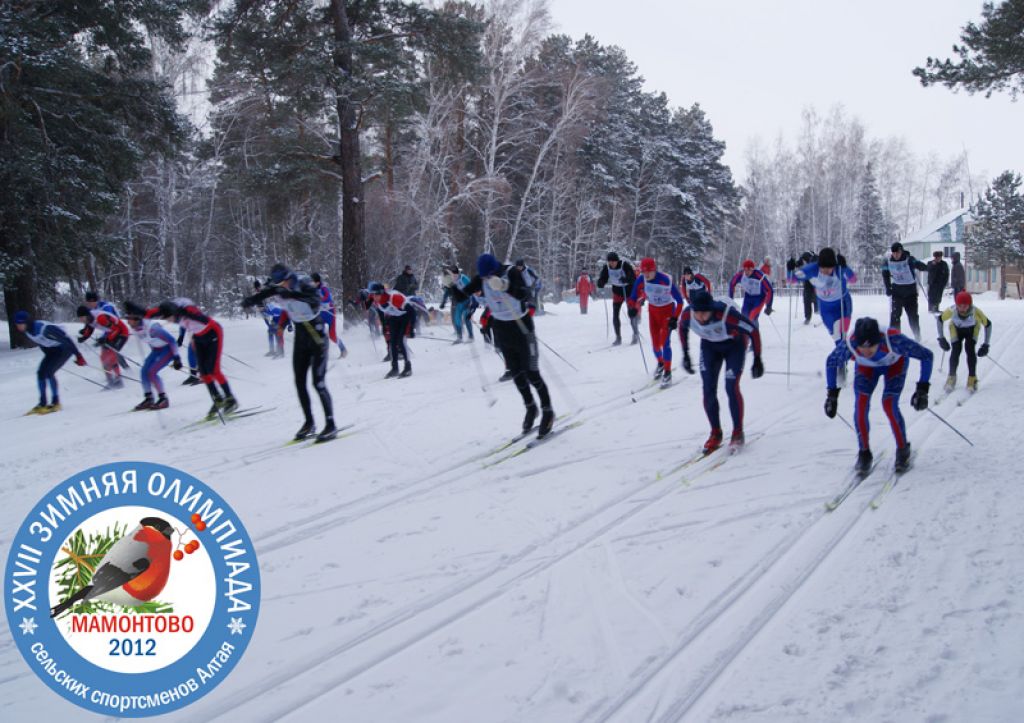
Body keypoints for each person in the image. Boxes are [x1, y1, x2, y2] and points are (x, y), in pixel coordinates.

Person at [824, 317, 933, 473]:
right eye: (862, 348)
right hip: (866, 368)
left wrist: (922, 389)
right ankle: (864, 452)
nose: (867, 351)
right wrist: (832, 395)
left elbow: (926, 355)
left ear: (879, 341)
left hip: (894, 366)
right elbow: (831, 362)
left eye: (871, 347)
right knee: (861, 405)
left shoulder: (893, 339)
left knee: (888, 404)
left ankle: (902, 448)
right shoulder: (851, 344)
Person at [463, 253, 555, 437]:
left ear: (494, 269)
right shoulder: (482, 276)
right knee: (516, 373)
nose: (486, 280)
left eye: (489, 275)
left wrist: (505, 286)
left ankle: (547, 411)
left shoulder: (511, 272)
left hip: (521, 327)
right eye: (483, 277)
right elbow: (461, 295)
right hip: (502, 328)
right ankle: (531, 407)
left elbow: (524, 293)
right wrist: (452, 284)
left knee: (532, 372)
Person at [244, 264, 338, 441]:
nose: (281, 287)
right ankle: (309, 423)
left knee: (318, 383)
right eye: (278, 284)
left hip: (316, 335)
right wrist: (250, 300)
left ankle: (331, 425)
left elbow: (315, 301)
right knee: (299, 382)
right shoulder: (279, 286)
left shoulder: (304, 284)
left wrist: (294, 295)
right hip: (301, 336)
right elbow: (266, 293)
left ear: (289, 278)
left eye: (283, 283)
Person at [679, 291, 764, 453]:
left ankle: (738, 433)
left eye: (705, 313)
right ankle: (715, 432)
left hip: (734, 346)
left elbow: (753, 331)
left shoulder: (726, 315)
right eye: (697, 313)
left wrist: (757, 359)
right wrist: (685, 354)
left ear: (711, 309)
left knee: (731, 387)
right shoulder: (688, 315)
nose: (701, 317)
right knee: (708, 389)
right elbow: (682, 329)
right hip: (710, 347)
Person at [150, 298, 237, 418]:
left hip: (212, 334)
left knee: (213, 370)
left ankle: (230, 399)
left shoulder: (188, 312)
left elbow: (202, 318)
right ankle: (218, 399)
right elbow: (183, 325)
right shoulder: (177, 317)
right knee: (203, 372)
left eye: (167, 317)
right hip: (198, 339)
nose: (168, 321)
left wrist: (189, 315)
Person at [13, 310, 87, 414]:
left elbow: (65, 339)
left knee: (49, 372)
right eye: (17, 324)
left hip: (64, 349)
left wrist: (78, 355)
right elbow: (41, 342)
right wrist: (48, 356)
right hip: (52, 351)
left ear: (27, 322)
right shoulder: (28, 331)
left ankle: (56, 402)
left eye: (21, 324)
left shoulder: (44, 328)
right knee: (40, 373)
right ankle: (42, 403)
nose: (19, 327)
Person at [628, 257, 683, 386]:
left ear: (654, 270)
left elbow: (679, 300)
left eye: (648, 272)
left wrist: (675, 317)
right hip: (653, 312)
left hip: (667, 312)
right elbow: (633, 296)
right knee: (655, 345)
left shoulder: (665, 280)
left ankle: (668, 373)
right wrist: (632, 307)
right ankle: (661, 363)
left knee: (665, 342)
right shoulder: (641, 279)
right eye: (643, 272)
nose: (646, 275)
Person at [123, 301, 180, 410]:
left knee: (152, 372)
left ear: (136, 319)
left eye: (129, 319)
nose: (127, 322)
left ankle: (163, 399)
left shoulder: (153, 329)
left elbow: (172, 341)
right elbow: (150, 341)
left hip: (167, 350)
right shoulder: (136, 328)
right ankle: (149, 398)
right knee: (144, 371)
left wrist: (177, 358)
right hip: (156, 350)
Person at [792, 247, 856, 342]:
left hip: (842, 304)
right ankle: (847, 352)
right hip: (825, 307)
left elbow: (853, 280)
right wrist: (790, 269)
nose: (826, 271)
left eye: (829, 268)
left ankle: (849, 353)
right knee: (836, 336)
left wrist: (845, 267)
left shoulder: (839, 269)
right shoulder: (812, 269)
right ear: (819, 265)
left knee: (841, 337)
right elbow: (791, 279)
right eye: (823, 268)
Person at [937, 290, 992, 392]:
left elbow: (988, 325)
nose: (962, 308)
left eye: (965, 306)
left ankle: (972, 378)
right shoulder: (952, 310)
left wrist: (986, 345)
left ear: (970, 305)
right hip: (955, 329)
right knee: (955, 351)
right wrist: (941, 338)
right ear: (956, 305)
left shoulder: (976, 312)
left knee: (970, 350)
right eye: (960, 306)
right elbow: (940, 319)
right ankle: (951, 377)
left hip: (972, 330)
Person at [367, 281, 417, 378]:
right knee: (392, 343)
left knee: (401, 341)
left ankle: (408, 368)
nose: (374, 297)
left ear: (381, 292)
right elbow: (382, 313)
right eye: (373, 294)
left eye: (376, 294)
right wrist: (385, 326)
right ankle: (395, 368)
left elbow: (412, 311)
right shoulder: (377, 302)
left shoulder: (394, 298)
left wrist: (411, 328)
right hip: (394, 318)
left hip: (405, 316)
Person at [76, 302, 130, 389]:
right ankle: (110, 381)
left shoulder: (100, 318)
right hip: (112, 334)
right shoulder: (89, 319)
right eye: (80, 318)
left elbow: (116, 329)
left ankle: (118, 380)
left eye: (82, 317)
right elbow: (90, 329)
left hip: (122, 333)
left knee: (111, 355)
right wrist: (84, 337)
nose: (81, 320)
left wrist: (106, 339)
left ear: (87, 315)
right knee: (103, 357)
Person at [882, 242, 928, 341]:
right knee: (895, 315)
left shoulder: (909, 259)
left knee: (913, 316)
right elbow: (885, 274)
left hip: (910, 292)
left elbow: (920, 265)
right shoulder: (888, 261)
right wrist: (888, 287)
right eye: (893, 253)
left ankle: (917, 335)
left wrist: (930, 267)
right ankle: (894, 337)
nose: (895, 255)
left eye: (897, 253)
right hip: (897, 292)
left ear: (901, 251)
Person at [597, 252, 638, 345]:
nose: (611, 264)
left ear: (617, 261)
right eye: (609, 262)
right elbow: (603, 278)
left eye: (613, 262)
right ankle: (618, 337)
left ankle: (635, 334)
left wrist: (626, 279)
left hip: (628, 291)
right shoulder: (607, 267)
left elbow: (633, 277)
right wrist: (601, 282)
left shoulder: (624, 265)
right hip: (617, 292)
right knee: (615, 315)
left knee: (631, 313)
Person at [311, 272, 348, 358]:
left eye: (313, 281)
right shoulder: (312, 290)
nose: (311, 283)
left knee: (332, 336)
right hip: (321, 315)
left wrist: (319, 299)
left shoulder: (324, 289)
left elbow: (327, 298)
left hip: (330, 313)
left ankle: (343, 349)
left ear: (317, 282)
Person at [440, 265, 475, 343]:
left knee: (466, 318)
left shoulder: (463, 278)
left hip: (467, 301)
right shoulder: (450, 281)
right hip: (459, 302)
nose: (454, 277)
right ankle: (459, 337)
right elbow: (446, 292)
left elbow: (472, 288)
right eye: (453, 275)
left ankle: (471, 336)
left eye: (456, 275)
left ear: (458, 273)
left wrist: (472, 302)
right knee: (457, 319)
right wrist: (443, 302)